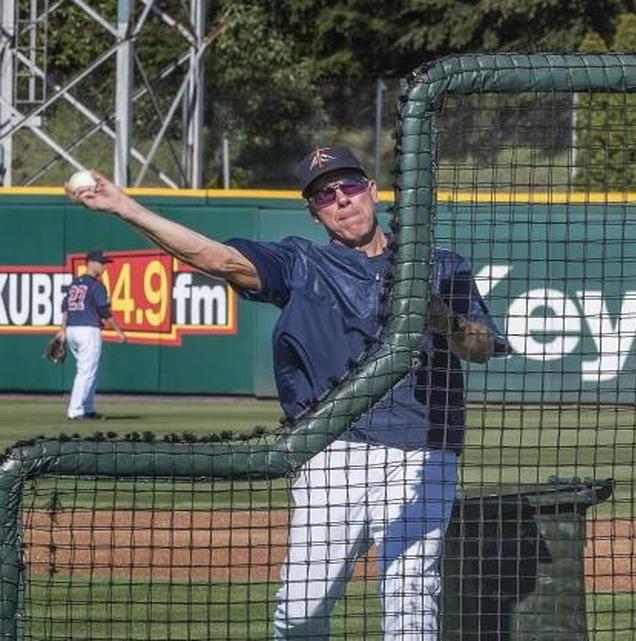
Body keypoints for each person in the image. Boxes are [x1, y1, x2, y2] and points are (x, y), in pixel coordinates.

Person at [68, 144, 507, 640]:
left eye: (349, 186)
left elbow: (482, 346)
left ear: (373, 191)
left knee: (411, 595)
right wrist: (127, 207)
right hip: (333, 452)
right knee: (301, 611)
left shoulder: (438, 266)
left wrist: (443, 320)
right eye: (324, 195)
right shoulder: (302, 264)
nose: (341, 200)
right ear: (314, 213)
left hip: (424, 451)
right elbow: (219, 259)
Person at [57, 249, 126, 420]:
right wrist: (118, 332)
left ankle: (88, 408)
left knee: (91, 370)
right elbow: (104, 311)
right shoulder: (96, 285)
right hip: (87, 330)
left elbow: (65, 308)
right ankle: (75, 411)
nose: (104, 266)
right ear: (91, 263)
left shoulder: (75, 283)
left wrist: (62, 330)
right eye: (102, 263)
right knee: (86, 371)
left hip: (73, 329)